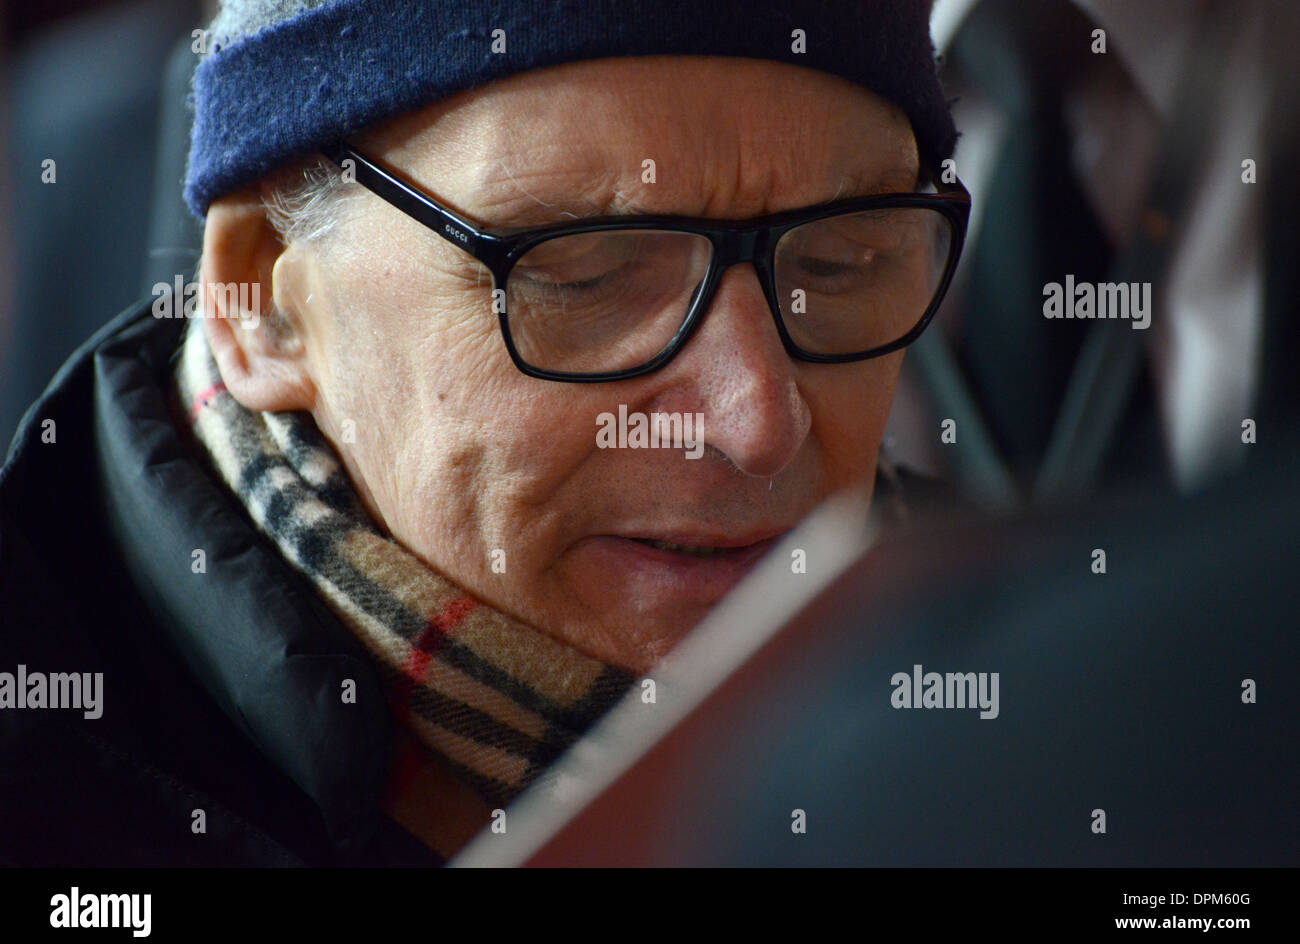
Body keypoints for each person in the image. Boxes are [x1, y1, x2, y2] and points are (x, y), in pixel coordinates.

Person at [0, 0, 965, 865]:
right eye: (584, 275)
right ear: (265, 303)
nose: (758, 424)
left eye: (843, 261)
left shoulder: (1039, 728)